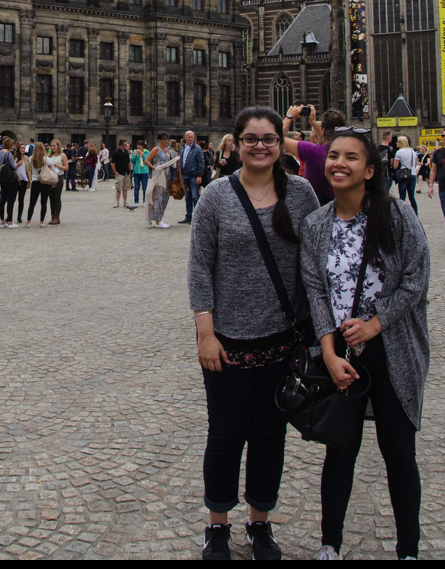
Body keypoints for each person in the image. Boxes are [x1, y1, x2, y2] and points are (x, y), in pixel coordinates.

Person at [188, 106, 320, 560]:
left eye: (268, 139)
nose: (260, 146)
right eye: (251, 139)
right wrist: (205, 334)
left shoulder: (300, 193)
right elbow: (199, 267)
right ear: (236, 144)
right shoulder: (216, 196)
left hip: (283, 342)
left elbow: (314, 264)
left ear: (280, 143)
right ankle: (217, 525)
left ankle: (260, 523)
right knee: (225, 436)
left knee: (269, 437)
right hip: (227, 343)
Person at [300, 128, 429, 561]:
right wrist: (328, 351)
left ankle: (407, 549)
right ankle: (329, 544)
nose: (339, 163)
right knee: (340, 450)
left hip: (392, 349)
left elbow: (416, 280)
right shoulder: (315, 224)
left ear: (370, 170)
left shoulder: (396, 216)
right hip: (341, 354)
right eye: (333, 155)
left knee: (399, 453)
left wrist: (376, 323)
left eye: (351, 157)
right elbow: (315, 291)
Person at [282, 106, 347, 205]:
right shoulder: (349, 154)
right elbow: (330, 137)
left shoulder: (313, 152)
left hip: (314, 208)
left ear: (323, 130)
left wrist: (289, 116)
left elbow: (277, 138)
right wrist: (312, 122)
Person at [144, 132, 178, 228]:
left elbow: (168, 162)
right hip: (159, 175)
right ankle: (158, 221)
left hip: (167, 174)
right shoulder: (156, 149)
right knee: (158, 196)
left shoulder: (167, 150)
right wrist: (154, 168)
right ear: (159, 140)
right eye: (164, 139)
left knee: (165, 196)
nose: (165, 141)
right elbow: (146, 160)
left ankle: (160, 217)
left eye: (166, 139)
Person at [0, 138, 19, 227]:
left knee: (2, 200)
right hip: (10, 178)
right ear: (10, 145)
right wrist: (18, 164)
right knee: (11, 200)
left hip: (2, 178)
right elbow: (13, 166)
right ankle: (10, 221)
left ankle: (2, 221)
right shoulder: (8, 154)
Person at [178, 130, 205, 224]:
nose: (190, 139)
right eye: (189, 137)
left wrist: (199, 175)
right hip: (185, 175)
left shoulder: (197, 149)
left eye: (192, 137)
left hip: (194, 175)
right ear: (185, 138)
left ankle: (197, 217)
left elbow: (201, 162)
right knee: (187, 197)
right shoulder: (182, 148)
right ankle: (188, 216)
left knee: (195, 196)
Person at [25, 142, 55, 227]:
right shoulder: (46, 159)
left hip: (35, 181)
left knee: (32, 202)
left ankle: (28, 221)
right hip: (45, 181)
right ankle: (41, 222)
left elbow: (30, 168)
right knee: (44, 202)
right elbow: (51, 169)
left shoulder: (31, 159)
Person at [392, 135, 419, 214]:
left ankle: (402, 214)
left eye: (397, 141)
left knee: (402, 197)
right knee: (412, 197)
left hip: (403, 175)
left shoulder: (399, 152)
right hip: (412, 174)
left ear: (401, 142)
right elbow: (414, 164)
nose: (396, 143)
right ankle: (415, 214)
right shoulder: (412, 151)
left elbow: (395, 166)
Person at [47, 140, 68, 224]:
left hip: (59, 177)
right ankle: (52, 216)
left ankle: (57, 216)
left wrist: (58, 166)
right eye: (51, 146)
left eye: (54, 146)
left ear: (58, 146)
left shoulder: (62, 155)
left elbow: (66, 168)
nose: (52, 147)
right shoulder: (49, 156)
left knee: (57, 197)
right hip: (50, 178)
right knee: (51, 198)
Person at [111, 140, 135, 209]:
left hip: (126, 172)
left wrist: (130, 170)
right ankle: (117, 202)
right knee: (118, 188)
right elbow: (112, 163)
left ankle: (125, 202)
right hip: (119, 172)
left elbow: (128, 162)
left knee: (125, 188)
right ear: (121, 145)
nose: (126, 146)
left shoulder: (126, 153)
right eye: (125, 145)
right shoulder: (116, 152)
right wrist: (115, 172)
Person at [14, 142, 32, 225]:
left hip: (24, 180)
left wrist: (29, 181)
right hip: (15, 180)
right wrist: (18, 164)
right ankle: (9, 216)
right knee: (12, 199)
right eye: (21, 148)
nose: (22, 149)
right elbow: (12, 168)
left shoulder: (26, 158)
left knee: (21, 199)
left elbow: (29, 169)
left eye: (23, 148)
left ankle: (19, 216)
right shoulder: (14, 157)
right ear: (18, 149)